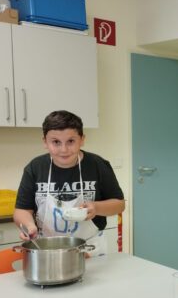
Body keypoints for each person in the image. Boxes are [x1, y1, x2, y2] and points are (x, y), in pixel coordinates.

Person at [14, 110, 125, 256]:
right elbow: (22, 210)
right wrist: (29, 226)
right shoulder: (35, 168)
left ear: (82, 140)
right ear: (45, 142)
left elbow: (119, 204)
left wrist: (96, 207)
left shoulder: (98, 165)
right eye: (56, 142)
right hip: (47, 251)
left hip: (90, 249)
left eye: (71, 141)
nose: (64, 149)